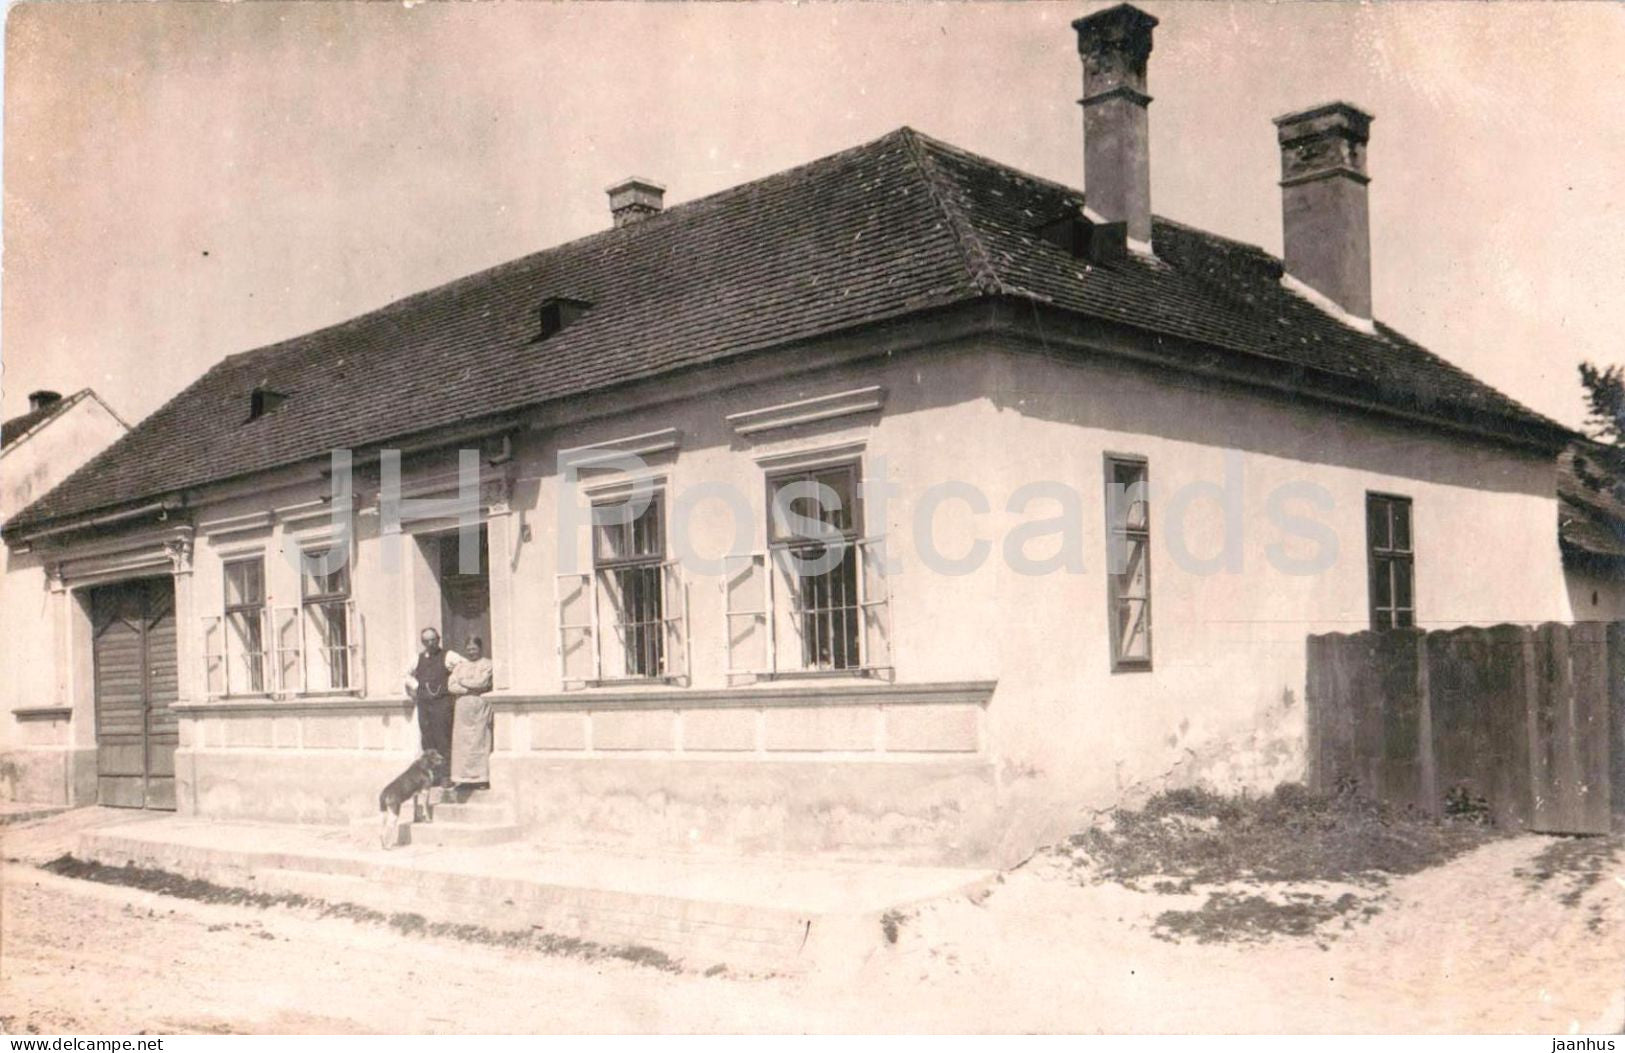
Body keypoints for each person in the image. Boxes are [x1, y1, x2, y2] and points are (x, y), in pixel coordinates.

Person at [403, 628, 462, 788]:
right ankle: (431, 776)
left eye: (433, 639)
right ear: (422, 642)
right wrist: (416, 685)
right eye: (427, 641)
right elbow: (406, 674)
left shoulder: (449, 656)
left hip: (442, 702)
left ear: (438, 639)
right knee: (427, 738)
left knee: (443, 737)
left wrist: (452, 683)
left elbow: (463, 668)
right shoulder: (417, 658)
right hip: (424, 703)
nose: (431, 643)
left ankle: (446, 775)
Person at [447, 636, 495, 789]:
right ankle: (463, 779)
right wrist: (468, 688)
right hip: (462, 707)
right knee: (462, 743)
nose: (471, 652)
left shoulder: (487, 664)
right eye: (468, 649)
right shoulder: (460, 667)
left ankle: (480, 779)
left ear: (480, 649)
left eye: (474, 649)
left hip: (479, 706)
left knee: (479, 741)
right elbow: (451, 686)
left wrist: (462, 682)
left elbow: (482, 682)